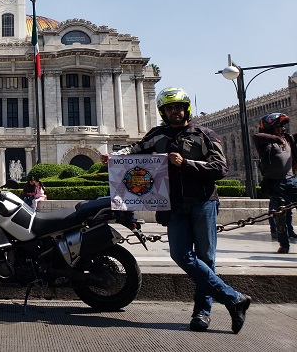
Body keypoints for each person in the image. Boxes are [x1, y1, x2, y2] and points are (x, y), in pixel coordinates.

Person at [102, 87, 251, 333]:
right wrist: (114, 157)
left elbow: (220, 167)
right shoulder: (158, 135)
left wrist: (186, 164)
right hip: (174, 205)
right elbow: (136, 150)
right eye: (170, 108)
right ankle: (234, 298)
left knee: (206, 259)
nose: (175, 111)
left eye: (179, 106)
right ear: (163, 111)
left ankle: (202, 313)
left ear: (186, 108)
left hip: (203, 202)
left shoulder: (204, 134)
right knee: (180, 255)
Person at [253, 112, 297, 254]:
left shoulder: (288, 138)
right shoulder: (263, 142)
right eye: (276, 126)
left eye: (281, 126)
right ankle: (284, 244)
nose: (280, 129)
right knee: (280, 215)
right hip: (275, 183)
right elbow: (256, 136)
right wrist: (277, 139)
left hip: (291, 179)